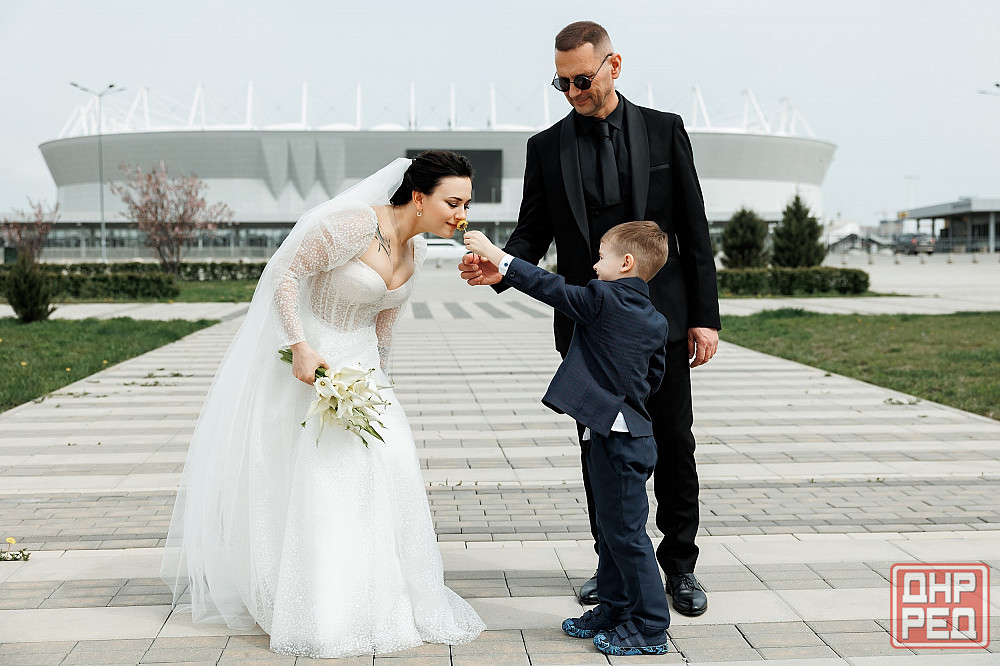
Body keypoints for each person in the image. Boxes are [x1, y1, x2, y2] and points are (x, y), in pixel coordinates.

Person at [161, 151, 485, 658]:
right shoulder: (355, 225)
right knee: (328, 479)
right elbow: (285, 273)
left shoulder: (417, 249)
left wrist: (383, 381)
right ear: (419, 197)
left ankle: (383, 598)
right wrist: (299, 345)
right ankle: (323, 606)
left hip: (365, 373)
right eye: (453, 202)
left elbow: (383, 324)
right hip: (314, 364)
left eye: (466, 203)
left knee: (392, 466)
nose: (461, 213)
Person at [460, 21, 720, 617]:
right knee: (599, 450)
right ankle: (613, 566)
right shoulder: (546, 147)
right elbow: (532, 231)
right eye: (562, 82)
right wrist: (501, 268)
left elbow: (694, 229)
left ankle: (679, 566)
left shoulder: (665, 129)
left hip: (662, 324)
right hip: (588, 330)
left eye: (582, 79)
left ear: (614, 65)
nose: (573, 91)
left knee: (674, 442)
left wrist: (705, 317)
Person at [463, 222, 672, 656]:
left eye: (601, 256)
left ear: (626, 263)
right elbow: (653, 377)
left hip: (618, 440)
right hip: (623, 432)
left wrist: (498, 256)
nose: (594, 266)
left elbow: (551, 287)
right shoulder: (655, 319)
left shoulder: (604, 299)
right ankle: (615, 607)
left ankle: (651, 626)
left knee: (627, 535)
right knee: (611, 531)